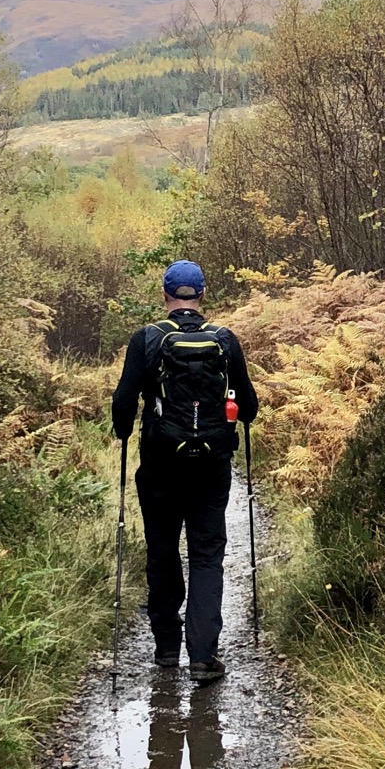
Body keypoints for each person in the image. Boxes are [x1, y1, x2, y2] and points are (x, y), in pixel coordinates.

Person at [111, 260, 257, 683]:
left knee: (162, 549)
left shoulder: (148, 339)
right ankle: (203, 656)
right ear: (203, 294)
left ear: (165, 295)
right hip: (211, 466)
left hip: (160, 466)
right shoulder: (224, 340)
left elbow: (123, 404)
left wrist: (125, 430)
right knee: (207, 555)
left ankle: (166, 648)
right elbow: (248, 407)